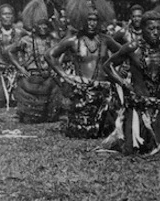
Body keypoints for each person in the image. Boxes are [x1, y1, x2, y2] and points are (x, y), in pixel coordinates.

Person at [103, 10, 160, 154]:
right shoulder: (132, 48)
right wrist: (123, 82)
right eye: (151, 29)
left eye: (158, 28)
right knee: (131, 150)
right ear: (142, 29)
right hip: (136, 106)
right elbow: (108, 66)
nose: (155, 32)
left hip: (158, 105)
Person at [46, 10, 120, 138]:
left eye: (94, 20)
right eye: (88, 20)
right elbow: (49, 55)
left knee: (104, 128)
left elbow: (124, 52)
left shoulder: (106, 40)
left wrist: (115, 71)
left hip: (103, 92)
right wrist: (64, 75)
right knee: (82, 131)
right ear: (81, 22)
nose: (91, 24)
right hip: (81, 91)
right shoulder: (73, 40)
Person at [6, 19, 63, 123]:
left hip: (48, 79)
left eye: (45, 25)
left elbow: (62, 52)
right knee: (30, 117)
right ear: (34, 27)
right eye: (40, 25)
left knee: (51, 116)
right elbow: (10, 51)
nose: (43, 28)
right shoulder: (26, 40)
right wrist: (20, 68)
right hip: (30, 79)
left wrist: (57, 67)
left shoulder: (53, 41)